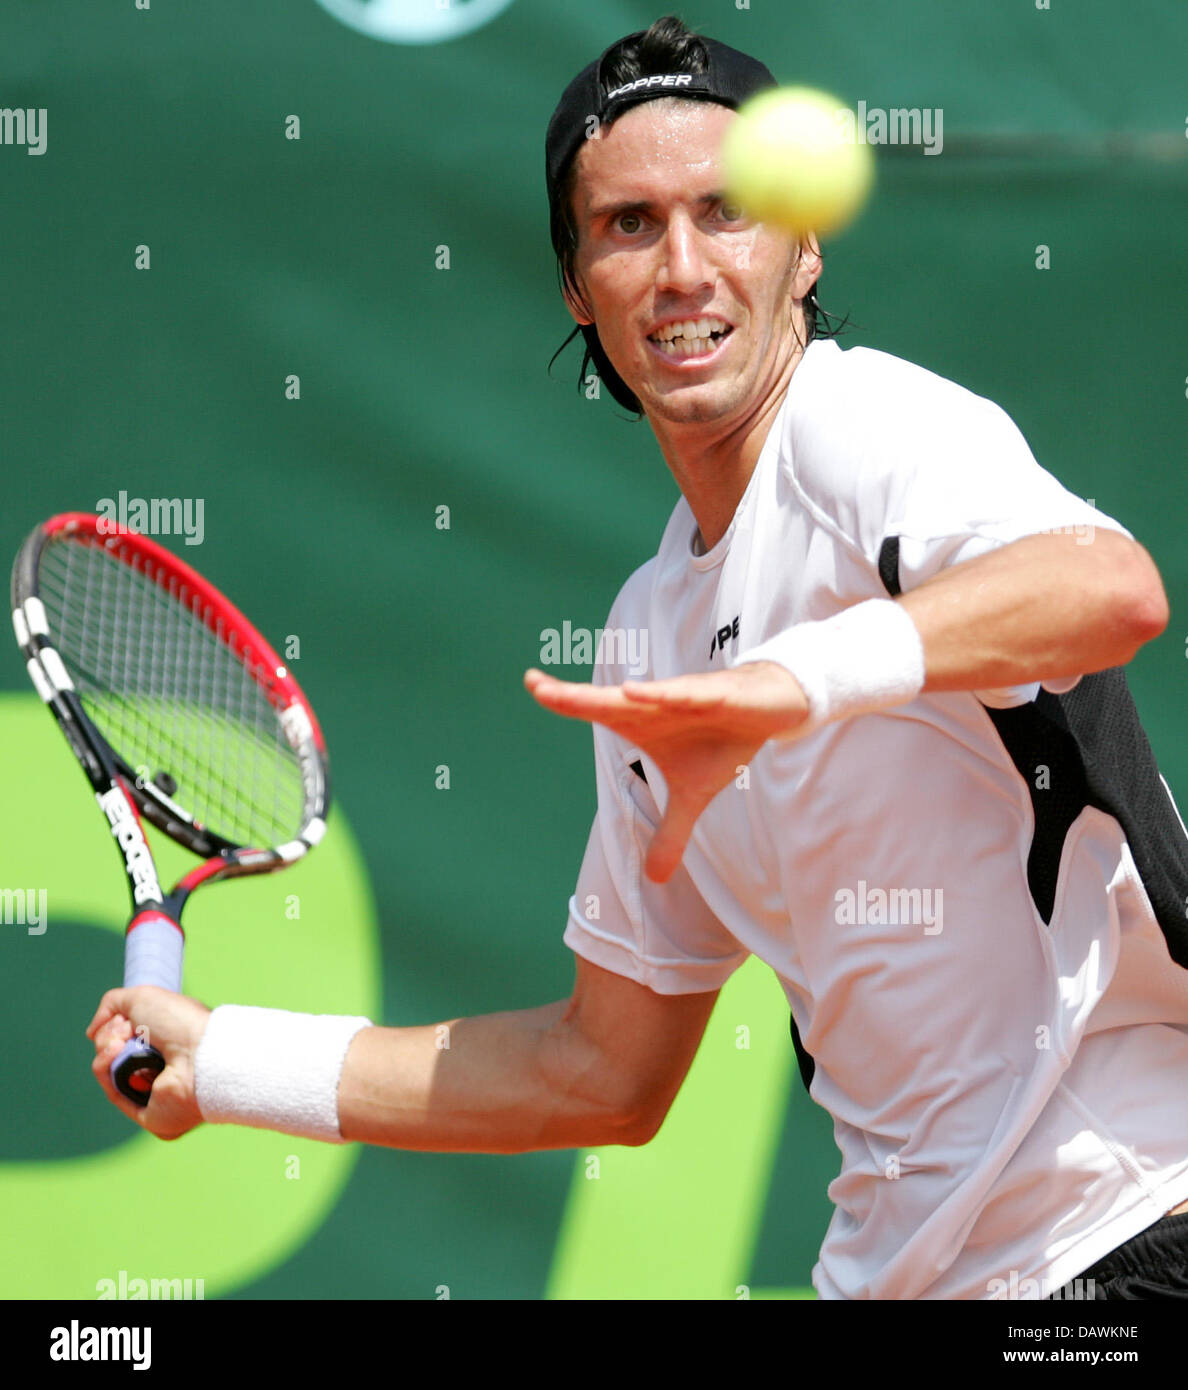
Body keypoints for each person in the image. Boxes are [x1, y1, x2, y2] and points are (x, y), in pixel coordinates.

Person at [88, 16, 1188, 1301]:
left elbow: (1107, 587)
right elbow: (600, 1069)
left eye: (727, 213)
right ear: (575, 287)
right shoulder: (650, 630)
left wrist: (789, 684)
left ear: (801, 244)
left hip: (1124, 1228)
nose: (682, 270)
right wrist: (223, 1065)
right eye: (628, 225)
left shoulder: (858, 427)